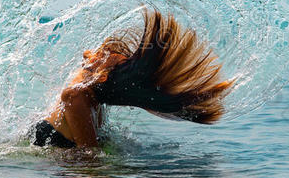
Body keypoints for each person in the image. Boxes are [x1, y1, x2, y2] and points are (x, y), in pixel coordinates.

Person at [31, 8, 234, 148]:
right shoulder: (93, 100)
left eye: (104, 54)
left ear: (102, 77)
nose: (91, 52)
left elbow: (89, 159)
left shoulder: (76, 96)